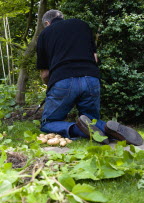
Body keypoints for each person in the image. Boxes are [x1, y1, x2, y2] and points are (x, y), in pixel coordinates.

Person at [36, 9, 143, 146]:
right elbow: (95, 58)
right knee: (91, 119)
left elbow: (45, 74)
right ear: (61, 17)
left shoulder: (45, 34)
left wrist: (50, 86)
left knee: (48, 123)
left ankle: (78, 129)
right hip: (91, 78)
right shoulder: (82, 25)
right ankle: (105, 127)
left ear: (47, 22)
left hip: (63, 80)